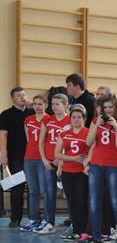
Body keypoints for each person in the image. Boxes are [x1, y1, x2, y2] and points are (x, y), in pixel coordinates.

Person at [83, 94, 117, 243]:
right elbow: (89, 142)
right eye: (105, 107)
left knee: (116, 202)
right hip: (96, 165)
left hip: (113, 166)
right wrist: (96, 125)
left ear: (116, 108)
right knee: (94, 203)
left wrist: (116, 127)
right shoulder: (95, 121)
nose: (108, 110)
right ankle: (96, 237)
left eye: (111, 107)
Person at [35, 93, 70, 235]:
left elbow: (71, 141)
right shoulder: (47, 120)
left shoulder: (71, 120)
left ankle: (74, 222)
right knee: (49, 193)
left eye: (58, 104)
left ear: (65, 105)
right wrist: (44, 159)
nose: (54, 107)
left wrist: (61, 160)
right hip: (49, 162)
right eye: (53, 104)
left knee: (70, 193)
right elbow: (41, 142)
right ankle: (49, 223)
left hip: (66, 162)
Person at [54, 105, 90, 242]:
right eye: (73, 117)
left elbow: (93, 150)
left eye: (79, 117)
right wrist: (73, 158)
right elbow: (57, 154)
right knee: (72, 202)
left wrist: (86, 161)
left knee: (81, 200)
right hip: (67, 172)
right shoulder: (64, 134)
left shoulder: (88, 133)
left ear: (83, 118)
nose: (76, 119)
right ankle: (76, 231)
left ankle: (85, 231)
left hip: (82, 172)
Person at [0, 87, 34, 228]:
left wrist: (33, 105)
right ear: (13, 98)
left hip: (33, 157)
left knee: (33, 188)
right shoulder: (6, 114)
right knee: (17, 188)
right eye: (19, 95)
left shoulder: (32, 112)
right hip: (15, 157)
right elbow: (3, 135)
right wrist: (3, 153)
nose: (23, 97)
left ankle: (34, 218)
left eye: (24, 95)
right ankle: (15, 219)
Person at [21, 95, 47, 231]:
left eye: (40, 104)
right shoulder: (28, 120)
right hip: (29, 158)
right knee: (33, 191)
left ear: (45, 105)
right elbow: (28, 139)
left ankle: (47, 220)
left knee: (44, 190)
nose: (37, 106)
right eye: (35, 104)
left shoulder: (49, 120)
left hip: (43, 159)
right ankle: (33, 219)